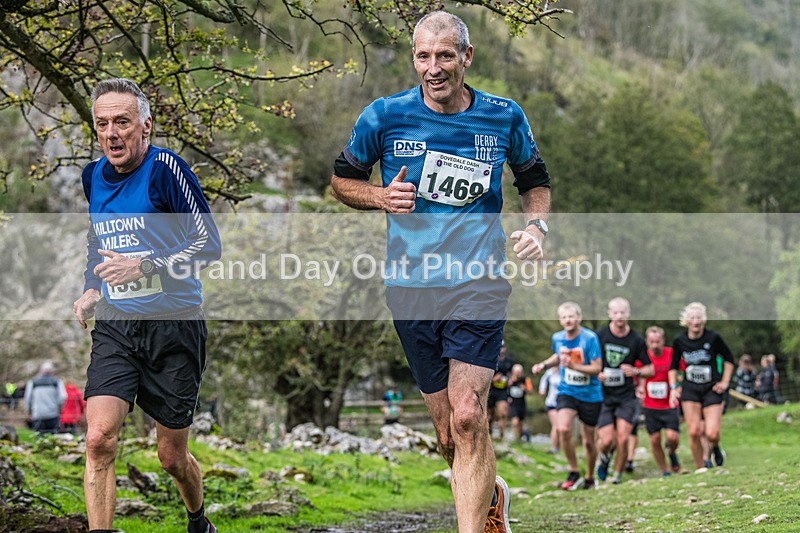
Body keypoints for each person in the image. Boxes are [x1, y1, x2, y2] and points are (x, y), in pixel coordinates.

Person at [330, 10, 551, 532]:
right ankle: (491, 494)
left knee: (469, 414)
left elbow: (535, 181)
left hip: (479, 282)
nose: (434, 67)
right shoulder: (385, 116)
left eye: (445, 55)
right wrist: (380, 196)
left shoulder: (503, 116)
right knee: (449, 434)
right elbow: (341, 180)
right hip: (411, 287)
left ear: (466, 57)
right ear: (414, 59)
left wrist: (537, 228)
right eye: (424, 56)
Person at [72, 78, 221, 533]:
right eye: (102, 124)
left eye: (122, 122)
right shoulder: (92, 176)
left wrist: (146, 266)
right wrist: (92, 287)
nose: (112, 134)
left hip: (174, 325)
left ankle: (198, 521)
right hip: (117, 324)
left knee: (171, 457)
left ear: (146, 126)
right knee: (98, 440)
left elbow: (208, 245)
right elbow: (99, 240)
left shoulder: (165, 170)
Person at [532, 302, 602, 490]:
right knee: (563, 429)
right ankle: (574, 471)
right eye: (564, 317)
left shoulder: (590, 338)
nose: (568, 320)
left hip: (590, 394)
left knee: (589, 441)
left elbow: (597, 368)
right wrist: (543, 365)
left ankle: (589, 477)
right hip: (567, 390)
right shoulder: (558, 338)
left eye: (571, 316)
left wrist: (573, 366)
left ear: (579, 318)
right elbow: (557, 356)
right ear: (560, 320)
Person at [668, 302, 734, 472]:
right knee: (694, 431)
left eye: (699, 318)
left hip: (712, 388)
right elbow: (673, 367)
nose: (696, 321)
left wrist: (725, 382)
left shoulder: (713, 338)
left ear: (704, 320)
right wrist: (674, 388)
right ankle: (700, 469)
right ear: (686, 320)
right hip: (690, 389)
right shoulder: (680, 340)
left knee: (712, 433)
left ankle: (715, 447)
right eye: (692, 318)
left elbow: (729, 359)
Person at [595, 297, 653, 485]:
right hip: (603, 396)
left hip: (626, 397)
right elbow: (589, 361)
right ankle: (604, 458)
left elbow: (650, 369)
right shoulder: (600, 335)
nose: (619, 316)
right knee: (606, 441)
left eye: (622, 312)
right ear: (609, 314)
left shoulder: (636, 340)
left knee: (622, 438)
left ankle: (617, 476)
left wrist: (636, 371)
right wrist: (596, 373)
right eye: (615, 312)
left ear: (628, 314)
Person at [639, 326, 681, 476]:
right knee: (655, 439)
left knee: (672, 437)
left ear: (663, 341)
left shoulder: (672, 354)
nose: (655, 345)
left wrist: (679, 387)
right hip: (651, 405)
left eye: (657, 341)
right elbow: (637, 375)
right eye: (652, 342)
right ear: (647, 342)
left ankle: (672, 452)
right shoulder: (643, 356)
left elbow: (683, 370)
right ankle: (665, 471)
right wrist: (639, 388)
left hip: (669, 403)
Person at [24, 362, 67, 434]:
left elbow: (28, 398)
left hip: (37, 413)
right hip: (53, 413)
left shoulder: (33, 382)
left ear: (41, 371)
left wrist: (29, 411)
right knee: (52, 436)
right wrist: (59, 408)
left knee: (38, 436)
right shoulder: (57, 382)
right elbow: (62, 397)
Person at [488, 343, 514, 440]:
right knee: (490, 415)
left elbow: (512, 374)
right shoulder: (491, 358)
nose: (501, 349)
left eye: (503, 347)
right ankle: (489, 432)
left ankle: (501, 436)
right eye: (500, 346)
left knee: (503, 413)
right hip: (491, 390)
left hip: (503, 391)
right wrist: (493, 379)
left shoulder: (509, 361)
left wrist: (511, 380)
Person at [537, 365, 561, 454]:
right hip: (551, 403)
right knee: (556, 426)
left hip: (563, 403)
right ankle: (554, 448)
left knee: (561, 427)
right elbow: (543, 380)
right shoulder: (550, 372)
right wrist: (542, 389)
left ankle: (559, 447)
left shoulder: (565, 372)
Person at [506, 364, 532, 442]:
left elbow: (530, 391)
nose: (518, 373)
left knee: (521, 423)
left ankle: (520, 438)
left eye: (519, 372)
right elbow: (504, 390)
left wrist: (525, 388)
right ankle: (516, 439)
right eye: (516, 372)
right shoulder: (509, 380)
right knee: (515, 422)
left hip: (522, 403)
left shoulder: (525, 380)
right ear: (513, 372)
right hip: (513, 403)